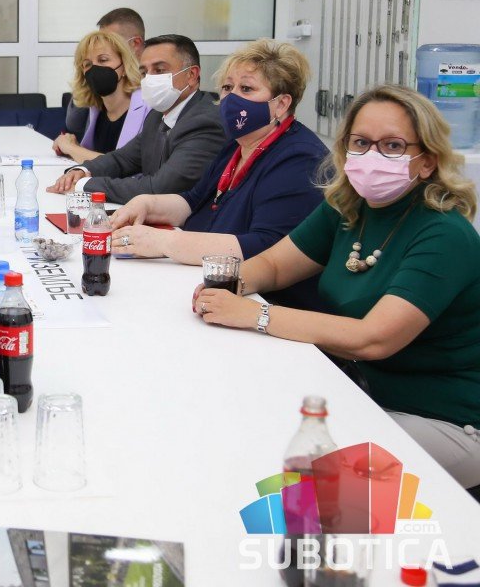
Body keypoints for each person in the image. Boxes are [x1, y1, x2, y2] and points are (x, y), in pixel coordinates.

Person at [194, 85, 480, 489]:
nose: (372, 156)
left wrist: (255, 314)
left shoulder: (443, 234)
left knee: (295, 471)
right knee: (244, 418)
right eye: (361, 143)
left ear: (428, 161)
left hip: (444, 420)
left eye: (393, 146)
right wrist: (230, 285)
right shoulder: (349, 208)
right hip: (363, 394)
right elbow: (275, 265)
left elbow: (373, 339)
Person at [110, 40, 327, 308]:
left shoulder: (300, 159)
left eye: (246, 88)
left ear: (281, 104)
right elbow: (193, 201)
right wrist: (147, 204)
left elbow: (265, 247)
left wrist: (166, 243)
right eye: (227, 87)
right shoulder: (238, 144)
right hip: (205, 281)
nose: (231, 98)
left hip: (261, 301)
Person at [48, 35, 224, 203]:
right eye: (144, 72)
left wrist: (85, 185)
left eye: (159, 70)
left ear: (191, 75)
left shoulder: (205, 123)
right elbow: (122, 159)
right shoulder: (157, 115)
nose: (149, 79)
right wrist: (83, 170)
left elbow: (158, 188)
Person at [54, 29, 147, 164]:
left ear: (124, 66)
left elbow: (124, 165)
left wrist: (71, 148)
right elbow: (98, 157)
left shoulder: (148, 109)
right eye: (87, 64)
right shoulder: (95, 110)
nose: (95, 69)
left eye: (103, 60)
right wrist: (73, 146)